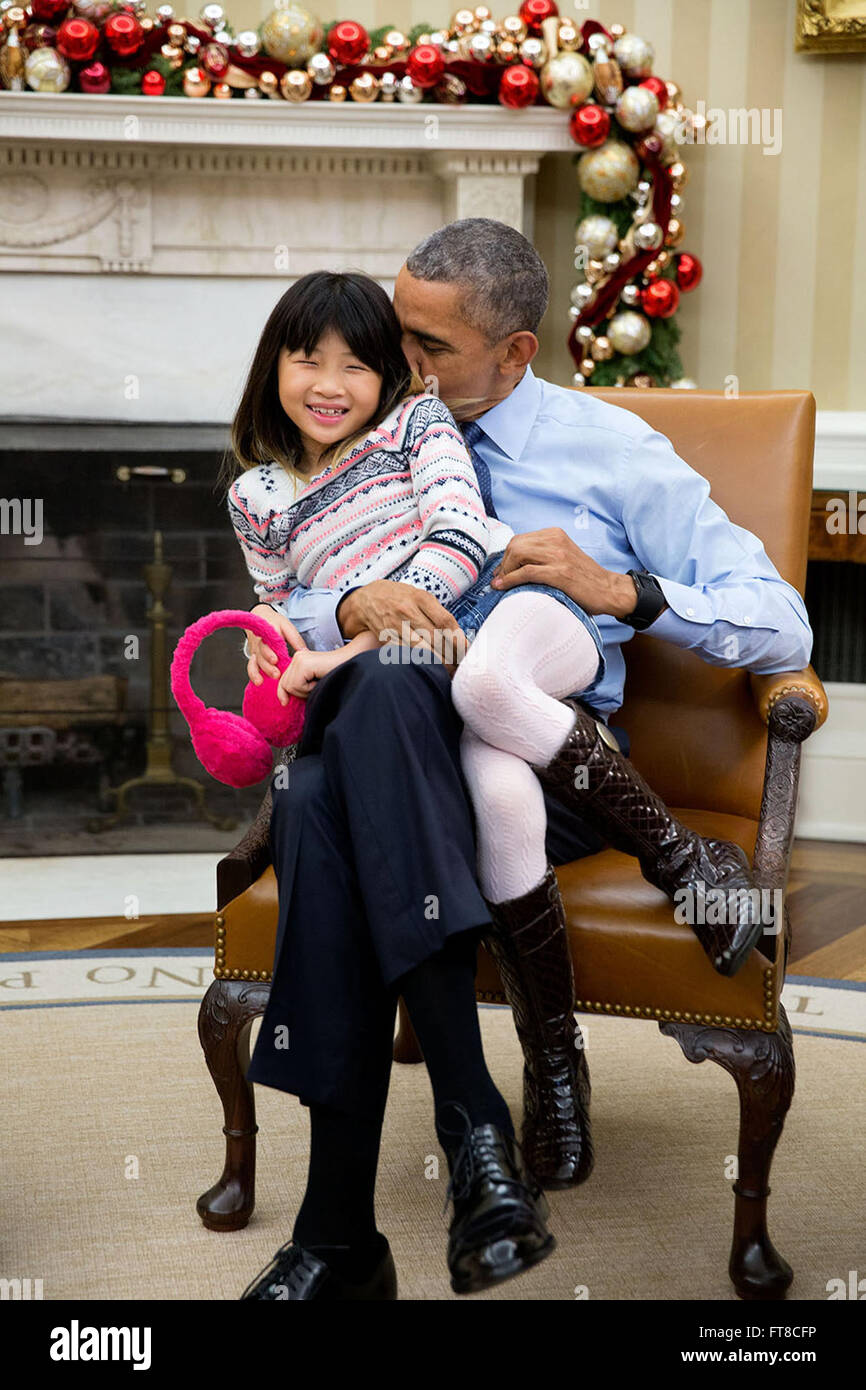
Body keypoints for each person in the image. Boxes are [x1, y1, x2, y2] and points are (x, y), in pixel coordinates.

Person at [226, 220, 814, 1300]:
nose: (390, 364)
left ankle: (338, 1234)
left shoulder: (612, 453)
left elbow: (779, 621)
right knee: (347, 752)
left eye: (425, 347)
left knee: (327, 794)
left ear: (515, 353)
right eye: (385, 334)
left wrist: (624, 591)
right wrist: (347, 598)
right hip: (399, 749)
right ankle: (468, 1146)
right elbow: (287, 599)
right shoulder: (347, 450)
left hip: (543, 767)